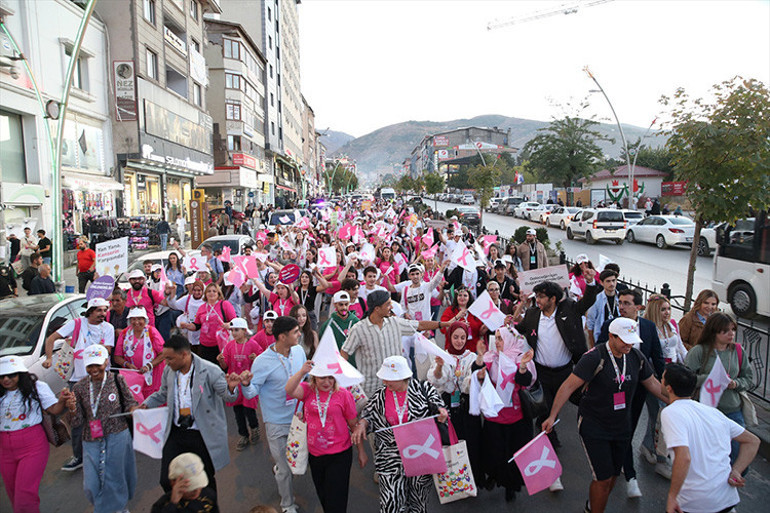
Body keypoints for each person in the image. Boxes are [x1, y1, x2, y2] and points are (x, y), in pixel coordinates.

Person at [542, 318, 668, 513]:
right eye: (624, 340)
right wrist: (552, 416)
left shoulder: (636, 357)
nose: (629, 344)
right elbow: (567, 386)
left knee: (612, 476)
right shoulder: (594, 357)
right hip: (594, 425)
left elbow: (653, 384)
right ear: (611, 336)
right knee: (602, 478)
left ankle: (593, 505)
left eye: (632, 340)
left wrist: (680, 402)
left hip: (622, 426)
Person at [136, 335, 242, 496]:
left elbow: (228, 396)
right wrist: (146, 404)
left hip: (201, 433)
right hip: (177, 431)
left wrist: (232, 388)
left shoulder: (210, 370)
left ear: (184, 355)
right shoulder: (169, 370)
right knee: (167, 480)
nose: (166, 362)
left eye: (170, 358)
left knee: (204, 480)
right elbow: (162, 393)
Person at [351, 356, 448, 513]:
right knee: (391, 503)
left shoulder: (423, 389)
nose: (385, 383)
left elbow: (440, 408)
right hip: (390, 457)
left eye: (389, 379)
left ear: (402, 377)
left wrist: (442, 413)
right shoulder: (380, 395)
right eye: (384, 378)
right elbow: (368, 415)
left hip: (420, 453)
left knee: (418, 503)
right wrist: (362, 424)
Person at [513, 278, 599, 454]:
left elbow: (588, 301)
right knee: (547, 407)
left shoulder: (569, 309)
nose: (537, 300)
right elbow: (519, 329)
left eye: (542, 297)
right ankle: (548, 440)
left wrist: (590, 282)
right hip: (542, 372)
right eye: (536, 296)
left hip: (566, 372)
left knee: (572, 402)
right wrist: (508, 323)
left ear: (553, 299)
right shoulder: (532, 314)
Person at [660, 363, 760, 513]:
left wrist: (672, 496)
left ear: (669, 388)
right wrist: (736, 471)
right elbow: (752, 441)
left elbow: (684, 457)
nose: (660, 380)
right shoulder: (713, 412)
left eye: (662, 378)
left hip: (695, 504)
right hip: (727, 499)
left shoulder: (671, 413)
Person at [595, 289, 665, 498]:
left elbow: (657, 358)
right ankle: (630, 476)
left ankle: (621, 466)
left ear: (639, 308)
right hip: (614, 389)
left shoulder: (649, 328)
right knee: (621, 430)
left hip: (640, 390)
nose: (622, 307)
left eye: (626, 303)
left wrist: (662, 385)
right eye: (620, 302)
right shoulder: (611, 325)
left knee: (628, 429)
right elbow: (599, 350)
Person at [240, 316, 306, 513]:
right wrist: (245, 384)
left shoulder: (299, 351)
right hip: (276, 423)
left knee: (296, 464)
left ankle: (279, 469)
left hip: (299, 420)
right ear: (282, 336)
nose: (299, 334)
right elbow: (252, 392)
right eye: (295, 332)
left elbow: (306, 380)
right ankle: (287, 504)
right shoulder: (262, 361)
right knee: (285, 470)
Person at [285, 359, 367, 513]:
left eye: (331, 377)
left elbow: (353, 424)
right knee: (323, 494)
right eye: (322, 377)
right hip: (315, 454)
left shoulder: (344, 394)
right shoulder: (308, 390)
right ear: (314, 377)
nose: (327, 382)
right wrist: (302, 371)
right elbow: (289, 389)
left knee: (337, 499)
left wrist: (361, 451)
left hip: (340, 454)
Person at [43, 297, 115, 472]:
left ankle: (101, 452)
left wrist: (86, 350)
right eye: (99, 310)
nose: (103, 314)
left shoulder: (108, 328)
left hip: (100, 378)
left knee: (99, 416)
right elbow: (51, 338)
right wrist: (49, 358)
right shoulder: (76, 324)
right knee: (77, 419)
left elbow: (107, 350)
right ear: (90, 311)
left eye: (105, 310)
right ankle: (79, 456)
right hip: (77, 379)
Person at [65, 344, 137, 513]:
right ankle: (106, 506)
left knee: (115, 477)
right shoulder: (79, 387)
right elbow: (77, 422)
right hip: (91, 439)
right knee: (91, 484)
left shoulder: (117, 380)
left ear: (106, 362)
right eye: (90, 365)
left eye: (98, 364)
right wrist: (72, 409)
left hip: (117, 435)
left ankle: (118, 509)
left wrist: (133, 410)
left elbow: (129, 402)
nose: (94, 369)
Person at [341, 290, 451, 398]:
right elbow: (344, 352)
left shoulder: (395, 322)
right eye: (388, 304)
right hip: (371, 390)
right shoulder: (359, 329)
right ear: (377, 309)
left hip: (395, 388)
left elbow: (420, 325)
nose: (392, 307)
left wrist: (446, 324)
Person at [0, 356, 72, 513]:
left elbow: (53, 410)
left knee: (24, 499)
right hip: (4, 449)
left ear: (21, 374)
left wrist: (61, 402)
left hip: (32, 446)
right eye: (2, 376)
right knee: (13, 495)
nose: (6, 379)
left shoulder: (36, 387)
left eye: (11, 374)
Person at [473, 328, 536, 502]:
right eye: (497, 338)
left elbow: (526, 382)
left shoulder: (518, 357)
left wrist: (522, 366)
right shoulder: (491, 356)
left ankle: (510, 486)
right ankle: (494, 476)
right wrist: (479, 356)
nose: (498, 342)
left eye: (501, 338)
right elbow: (476, 371)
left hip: (515, 418)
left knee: (512, 454)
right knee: (493, 452)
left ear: (509, 340)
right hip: (494, 416)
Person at [684, 312, 754, 464]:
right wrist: (709, 379)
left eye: (733, 330)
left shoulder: (738, 351)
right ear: (714, 332)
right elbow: (685, 379)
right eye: (725, 331)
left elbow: (748, 379)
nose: (731, 334)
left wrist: (735, 384)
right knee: (708, 457)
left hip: (733, 411)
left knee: (737, 457)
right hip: (706, 412)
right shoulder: (699, 351)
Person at [426, 321, 484, 483]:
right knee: (449, 441)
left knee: (471, 440)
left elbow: (473, 382)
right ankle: (451, 480)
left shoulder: (471, 357)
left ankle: (471, 477)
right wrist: (439, 367)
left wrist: (476, 376)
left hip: (467, 405)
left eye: (463, 337)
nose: (459, 341)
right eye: (456, 337)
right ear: (449, 337)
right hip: (447, 405)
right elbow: (436, 379)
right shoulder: (442, 356)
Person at [217, 318, 263, 450]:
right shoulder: (230, 345)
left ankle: (254, 429)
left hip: (248, 383)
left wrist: (256, 359)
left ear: (244, 331)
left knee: (249, 410)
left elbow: (261, 363)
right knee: (238, 412)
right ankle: (243, 434)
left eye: (236, 330)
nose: (234, 333)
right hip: (235, 384)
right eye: (232, 330)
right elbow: (225, 366)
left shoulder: (253, 344)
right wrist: (221, 361)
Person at [114, 307, 167, 396]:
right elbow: (117, 357)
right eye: (133, 319)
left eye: (139, 319)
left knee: (153, 399)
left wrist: (149, 366)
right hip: (133, 377)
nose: (136, 322)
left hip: (153, 376)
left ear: (145, 320)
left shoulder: (151, 331)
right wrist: (127, 365)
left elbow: (163, 353)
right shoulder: (124, 333)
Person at [181, 283, 237, 364]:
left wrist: (228, 325)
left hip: (220, 344)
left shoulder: (225, 304)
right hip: (204, 345)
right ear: (205, 294)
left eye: (214, 291)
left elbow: (235, 322)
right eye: (209, 291)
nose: (211, 293)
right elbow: (196, 326)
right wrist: (186, 325)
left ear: (218, 293)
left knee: (220, 369)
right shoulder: (202, 307)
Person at [151, 453, 218, 513]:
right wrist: (173, 504)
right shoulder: (161, 506)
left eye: (198, 484)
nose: (196, 490)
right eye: (191, 486)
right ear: (173, 483)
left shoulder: (209, 495)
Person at [320, 291, 360, 365]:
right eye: (341, 305)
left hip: (354, 365)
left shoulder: (356, 322)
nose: (344, 308)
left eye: (346, 304)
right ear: (335, 305)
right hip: (335, 365)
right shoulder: (328, 325)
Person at [439, 286, 484, 352]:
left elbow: (480, 332)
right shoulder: (449, 311)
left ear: (469, 298)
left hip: (472, 349)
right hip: (454, 349)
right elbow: (443, 328)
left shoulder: (474, 312)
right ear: (456, 297)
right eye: (460, 295)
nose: (462, 298)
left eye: (465, 295)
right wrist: (457, 318)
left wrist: (486, 326)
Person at [585, 269, 620, 347]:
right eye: (608, 281)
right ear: (601, 283)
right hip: (602, 340)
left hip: (619, 338)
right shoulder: (596, 300)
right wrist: (592, 346)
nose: (612, 284)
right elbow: (590, 324)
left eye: (614, 280)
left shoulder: (621, 298)